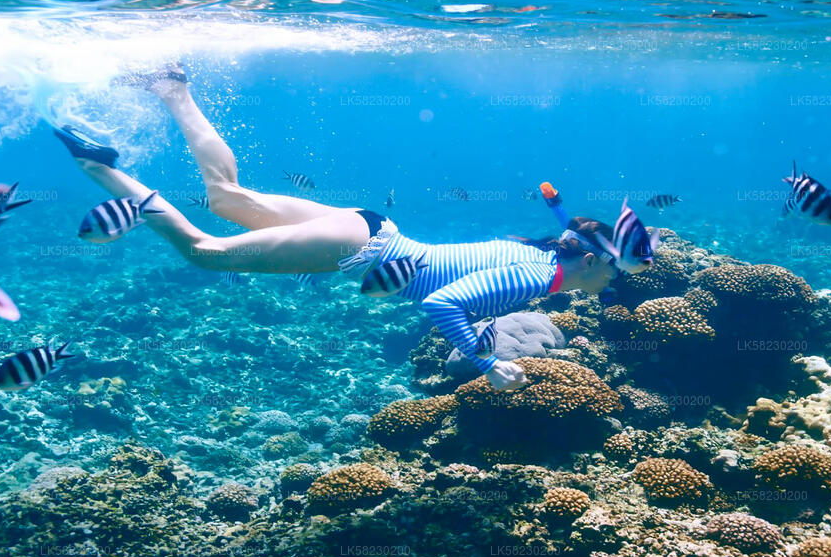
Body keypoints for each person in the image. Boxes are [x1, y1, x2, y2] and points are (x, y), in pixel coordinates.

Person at [53, 67, 620, 390]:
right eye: (614, 268)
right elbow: (443, 303)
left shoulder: (533, 253)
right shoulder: (536, 280)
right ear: (590, 261)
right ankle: (97, 166)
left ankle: (172, 87)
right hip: (362, 251)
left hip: (371, 227)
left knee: (227, 196)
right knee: (205, 252)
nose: (613, 282)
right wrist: (487, 363)